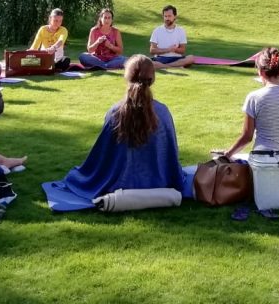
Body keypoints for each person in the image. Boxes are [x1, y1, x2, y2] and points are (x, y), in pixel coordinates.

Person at [58, 55, 185, 198]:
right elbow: (170, 156)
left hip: (119, 184)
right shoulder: (163, 111)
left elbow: (103, 157)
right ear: (152, 78)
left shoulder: (115, 112)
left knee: (76, 176)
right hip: (159, 182)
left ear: (127, 76)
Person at [218, 48, 279, 158]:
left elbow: (247, 137)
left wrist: (227, 155)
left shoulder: (254, 97)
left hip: (264, 162)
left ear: (260, 71)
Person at [149, 5, 195, 69]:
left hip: (177, 59)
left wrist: (175, 49)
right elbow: (152, 50)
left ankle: (165, 66)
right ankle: (175, 67)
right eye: (165, 16)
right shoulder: (157, 30)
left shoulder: (181, 31)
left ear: (175, 16)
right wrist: (168, 50)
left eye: (169, 16)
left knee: (191, 58)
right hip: (161, 59)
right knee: (146, 62)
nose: (167, 18)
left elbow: (182, 50)